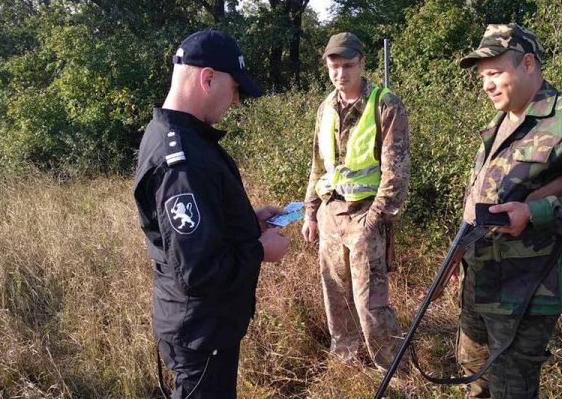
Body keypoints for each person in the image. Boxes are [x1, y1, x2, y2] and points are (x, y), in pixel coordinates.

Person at [455, 23, 562, 398]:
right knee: (474, 373)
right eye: (483, 76)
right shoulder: (500, 122)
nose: (487, 84)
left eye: (496, 72)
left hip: (528, 287)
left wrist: (535, 213)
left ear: (529, 64)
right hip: (480, 275)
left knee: (510, 386)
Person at [133, 29, 290, 399]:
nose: (234, 101)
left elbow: (198, 230)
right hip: (200, 331)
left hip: (206, 326)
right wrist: (260, 250)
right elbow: (198, 270)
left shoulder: (183, 138)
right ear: (208, 78)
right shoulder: (180, 160)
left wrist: (249, 222)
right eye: (234, 89)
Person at [301, 32, 410, 372]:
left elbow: (396, 174)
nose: (341, 73)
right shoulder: (325, 108)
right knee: (334, 294)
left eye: (348, 65)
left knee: (371, 304)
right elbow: (318, 166)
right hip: (332, 211)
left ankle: (393, 371)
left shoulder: (385, 104)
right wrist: (311, 213)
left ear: (362, 63)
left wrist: (374, 222)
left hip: (367, 215)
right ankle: (346, 362)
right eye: (334, 66)